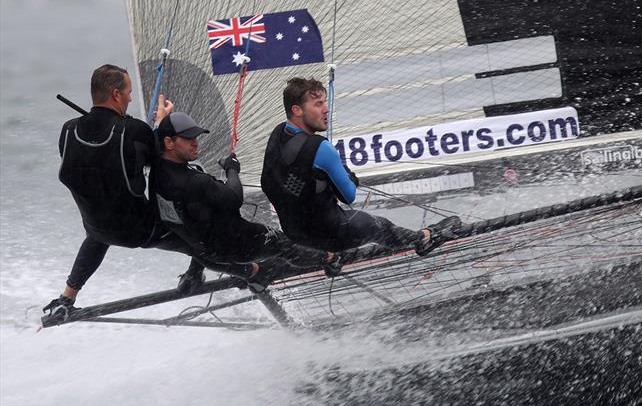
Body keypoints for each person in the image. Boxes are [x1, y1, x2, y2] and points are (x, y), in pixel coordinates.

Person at [45, 64, 202, 322]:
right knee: (201, 227)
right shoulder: (134, 131)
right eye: (129, 92)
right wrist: (161, 124)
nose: (131, 98)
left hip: (98, 230)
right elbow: (164, 158)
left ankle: (66, 299)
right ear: (116, 95)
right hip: (143, 230)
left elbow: (96, 168)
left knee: (101, 222)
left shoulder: (68, 130)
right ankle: (214, 272)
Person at [260, 77, 461, 255]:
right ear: (297, 110)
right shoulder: (321, 148)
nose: (326, 109)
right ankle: (424, 238)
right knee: (378, 226)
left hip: (295, 234)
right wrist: (348, 178)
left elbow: (272, 180)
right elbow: (348, 196)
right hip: (331, 235)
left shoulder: (277, 133)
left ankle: (328, 259)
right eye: (318, 104)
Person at [152, 112, 334, 287]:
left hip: (206, 252)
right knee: (283, 244)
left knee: (201, 228)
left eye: (195, 137)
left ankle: (245, 274)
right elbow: (235, 198)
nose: (195, 143)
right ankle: (330, 259)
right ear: (169, 142)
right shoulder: (194, 181)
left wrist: (161, 121)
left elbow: (155, 141)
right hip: (237, 245)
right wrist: (232, 168)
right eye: (188, 139)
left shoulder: (157, 170)